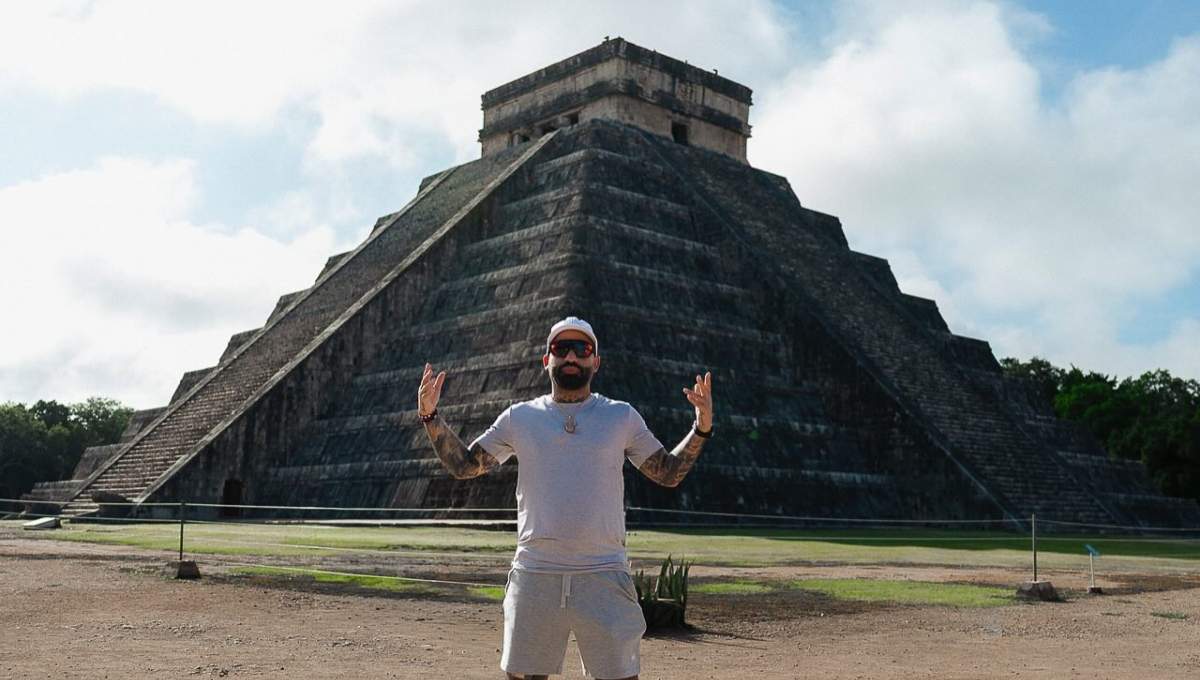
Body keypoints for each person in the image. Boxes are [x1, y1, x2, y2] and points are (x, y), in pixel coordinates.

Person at [417, 316, 713, 680]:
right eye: (562, 348)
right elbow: (465, 465)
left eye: (582, 349)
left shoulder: (620, 416)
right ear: (547, 359)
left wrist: (701, 428)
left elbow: (667, 472)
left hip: (604, 573)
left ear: (595, 362)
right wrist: (430, 415)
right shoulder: (520, 417)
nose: (571, 356)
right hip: (535, 572)